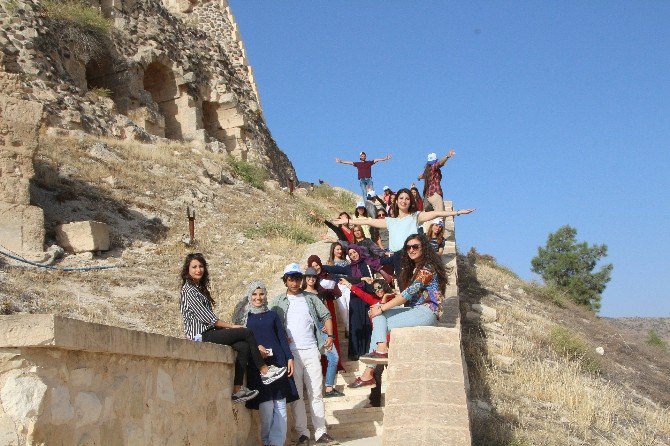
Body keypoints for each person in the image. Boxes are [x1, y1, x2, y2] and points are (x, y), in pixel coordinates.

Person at [179, 253, 287, 403]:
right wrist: (231, 326)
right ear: (187, 270)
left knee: (243, 346)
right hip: (200, 335)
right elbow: (208, 318)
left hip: (209, 332)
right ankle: (265, 371)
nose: (198, 270)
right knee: (246, 332)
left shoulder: (198, 289)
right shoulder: (189, 291)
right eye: (194, 267)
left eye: (201, 266)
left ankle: (237, 390)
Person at [353, 234, 448, 384]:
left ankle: (376, 360)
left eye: (415, 246)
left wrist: (383, 306)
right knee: (378, 315)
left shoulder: (427, 268)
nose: (411, 250)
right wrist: (381, 306)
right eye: (408, 247)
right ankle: (370, 370)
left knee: (380, 314)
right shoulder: (415, 268)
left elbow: (407, 295)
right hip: (416, 310)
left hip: (427, 311)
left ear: (423, 247)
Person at [269, 264, 339, 446]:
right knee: (297, 396)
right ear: (285, 280)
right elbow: (271, 325)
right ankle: (303, 434)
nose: (294, 282)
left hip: (311, 350)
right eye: (291, 278)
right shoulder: (277, 302)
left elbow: (326, 316)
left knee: (316, 392)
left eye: (297, 278)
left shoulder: (311, 298)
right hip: (290, 356)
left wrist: (330, 336)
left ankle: (321, 432)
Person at [331, 188, 474, 276]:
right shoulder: (390, 221)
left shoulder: (415, 216)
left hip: (413, 255)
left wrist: (457, 212)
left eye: (407, 198)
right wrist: (348, 222)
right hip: (397, 257)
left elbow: (435, 214)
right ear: (397, 201)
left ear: (410, 201)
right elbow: (368, 221)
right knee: (402, 284)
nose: (404, 201)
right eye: (401, 198)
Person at [232, 281, 299, 446]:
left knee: (281, 406)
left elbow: (281, 338)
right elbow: (239, 339)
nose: (258, 297)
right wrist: (256, 347)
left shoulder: (273, 315)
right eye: (254, 294)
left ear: (265, 295)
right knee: (267, 406)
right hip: (258, 366)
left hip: (278, 363)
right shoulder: (244, 318)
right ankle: (266, 441)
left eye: (261, 294)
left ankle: (277, 443)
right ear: (249, 296)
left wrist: (289, 358)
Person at [322, 245, 378, 360]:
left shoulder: (368, 263)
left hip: (368, 298)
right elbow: (334, 269)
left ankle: (368, 350)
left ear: (358, 251)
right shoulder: (349, 268)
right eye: (351, 254)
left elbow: (382, 262)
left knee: (368, 324)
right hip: (355, 299)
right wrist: (318, 266)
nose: (353, 255)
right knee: (356, 324)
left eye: (354, 252)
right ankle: (356, 353)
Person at [337, 278, 391, 389]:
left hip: (391, 341)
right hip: (379, 341)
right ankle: (374, 400)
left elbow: (387, 309)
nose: (377, 290)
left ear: (384, 286)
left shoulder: (393, 298)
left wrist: (384, 299)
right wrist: (348, 284)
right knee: (376, 372)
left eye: (379, 287)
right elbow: (361, 293)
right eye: (374, 289)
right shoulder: (373, 300)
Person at [302, 266, 345, 398]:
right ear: (305, 278)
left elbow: (326, 312)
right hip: (308, 331)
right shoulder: (301, 295)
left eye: (313, 277)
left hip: (322, 329)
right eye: (308, 276)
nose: (311, 279)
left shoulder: (320, 293)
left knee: (333, 357)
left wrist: (327, 326)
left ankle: (328, 388)